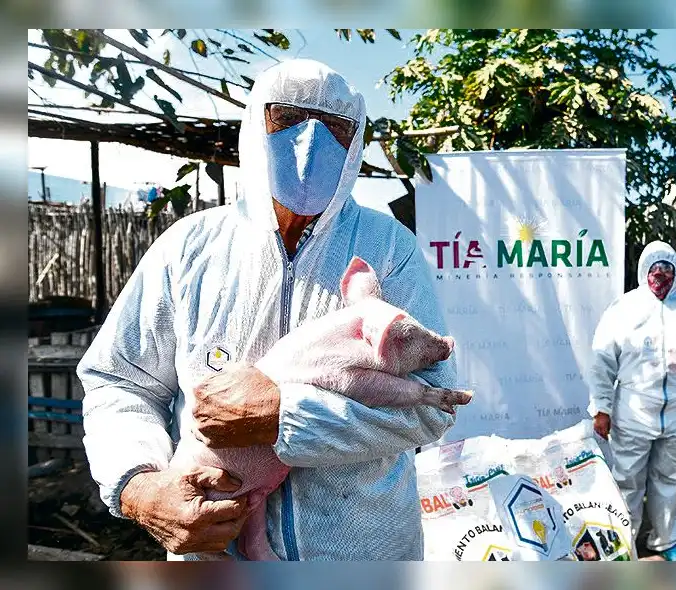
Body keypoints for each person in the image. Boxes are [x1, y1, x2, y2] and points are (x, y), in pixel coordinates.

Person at [77, 59, 458, 561]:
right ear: (256, 123)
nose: (309, 142)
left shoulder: (388, 249)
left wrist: (286, 417)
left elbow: (433, 403)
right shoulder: (189, 247)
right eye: (288, 120)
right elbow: (119, 381)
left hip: (364, 553)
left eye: (335, 129)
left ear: (356, 142)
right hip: (214, 550)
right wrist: (138, 486)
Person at [586, 240, 676, 561]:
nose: (660, 276)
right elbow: (602, 362)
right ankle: (623, 545)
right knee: (626, 483)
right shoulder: (623, 310)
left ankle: (666, 542)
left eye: (667, 270)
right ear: (643, 271)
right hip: (632, 414)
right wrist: (601, 409)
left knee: (670, 481)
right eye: (654, 269)